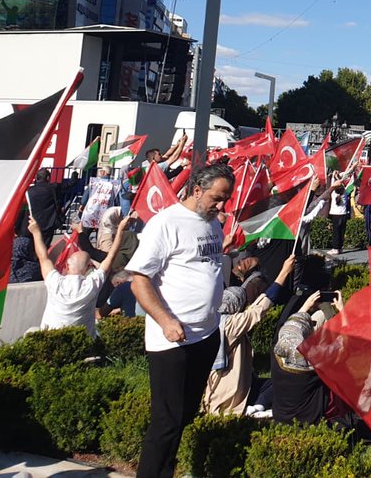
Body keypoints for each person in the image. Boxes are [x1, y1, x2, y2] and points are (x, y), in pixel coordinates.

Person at [125, 162, 233, 478]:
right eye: (216, 197)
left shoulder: (213, 223)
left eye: (225, 198)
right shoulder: (166, 223)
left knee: (184, 415)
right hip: (173, 339)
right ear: (196, 190)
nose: (221, 205)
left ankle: (166, 471)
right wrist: (165, 321)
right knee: (166, 421)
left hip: (206, 334)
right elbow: (139, 279)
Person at [202, 255, 295, 415]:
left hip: (211, 391)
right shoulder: (232, 324)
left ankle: (257, 406)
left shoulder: (208, 322)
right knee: (282, 381)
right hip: (229, 393)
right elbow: (262, 306)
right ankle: (255, 408)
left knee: (269, 383)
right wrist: (284, 272)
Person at [28, 212, 132, 336]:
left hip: (50, 339)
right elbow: (111, 256)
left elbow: (43, 257)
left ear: (66, 266)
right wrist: (120, 229)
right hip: (84, 343)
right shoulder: (92, 284)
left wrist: (36, 232)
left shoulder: (54, 282)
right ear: (89, 267)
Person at [271, 289, 345, 425]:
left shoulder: (277, 353)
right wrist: (343, 311)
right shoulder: (317, 362)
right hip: (310, 420)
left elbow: (288, 325)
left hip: (281, 418)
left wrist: (305, 306)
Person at [27, 168, 60, 239]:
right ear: (48, 178)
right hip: (49, 222)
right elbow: (69, 184)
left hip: (34, 221)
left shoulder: (29, 191)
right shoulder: (52, 188)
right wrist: (75, 175)